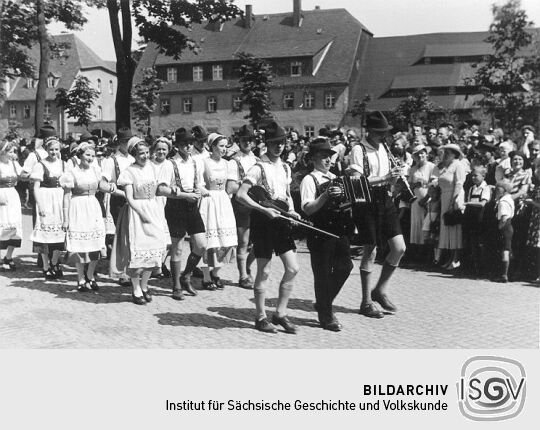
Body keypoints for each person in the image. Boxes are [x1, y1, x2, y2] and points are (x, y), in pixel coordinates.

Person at [237, 121, 301, 334]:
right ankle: (260, 316)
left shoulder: (285, 166)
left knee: (293, 268)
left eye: (281, 143)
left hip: (281, 220)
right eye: (274, 143)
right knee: (264, 271)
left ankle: (280, 313)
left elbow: (287, 193)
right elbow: (241, 194)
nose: (279, 147)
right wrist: (264, 210)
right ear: (266, 144)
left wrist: (291, 210)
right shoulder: (258, 167)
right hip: (263, 222)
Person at [347, 111, 406, 319]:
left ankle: (379, 290)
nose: (384, 136)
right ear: (370, 131)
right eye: (381, 132)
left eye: (385, 132)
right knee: (370, 251)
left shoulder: (384, 148)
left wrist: (395, 178)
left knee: (399, 248)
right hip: (366, 201)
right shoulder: (358, 149)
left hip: (385, 199)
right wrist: (384, 177)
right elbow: (355, 180)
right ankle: (365, 302)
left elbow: (388, 181)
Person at [300, 138, 354, 331]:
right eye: (323, 157)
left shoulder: (335, 177)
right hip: (319, 231)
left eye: (330, 156)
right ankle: (326, 316)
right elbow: (307, 209)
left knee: (345, 267)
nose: (328, 160)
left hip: (339, 229)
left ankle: (323, 302)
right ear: (313, 159)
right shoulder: (309, 179)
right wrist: (325, 195)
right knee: (322, 274)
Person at [110, 137, 168, 305]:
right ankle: (135, 288)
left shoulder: (152, 168)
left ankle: (144, 285)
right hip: (137, 212)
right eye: (140, 153)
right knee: (138, 252)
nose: (144, 156)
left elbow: (158, 189)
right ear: (134, 154)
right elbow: (129, 197)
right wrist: (142, 213)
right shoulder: (129, 172)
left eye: (146, 152)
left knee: (156, 248)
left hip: (154, 208)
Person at [157, 128, 208, 300]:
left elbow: (199, 184)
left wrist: (203, 191)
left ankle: (186, 275)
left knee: (201, 244)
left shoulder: (195, 162)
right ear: (177, 145)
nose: (188, 146)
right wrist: (185, 195)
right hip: (176, 206)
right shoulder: (169, 164)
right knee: (177, 247)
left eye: (190, 143)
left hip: (192, 206)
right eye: (184, 143)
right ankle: (176, 285)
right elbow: (161, 189)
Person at [60, 141, 112, 291]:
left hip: (93, 207)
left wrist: (112, 187)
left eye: (93, 156)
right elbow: (66, 197)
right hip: (78, 208)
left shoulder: (96, 170)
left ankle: (90, 275)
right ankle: (81, 278)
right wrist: (66, 219)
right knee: (80, 245)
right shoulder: (72, 173)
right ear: (80, 155)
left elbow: (102, 186)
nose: (90, 158)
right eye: (87, 155)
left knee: (96, 242)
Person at [198, 133, 238, 289]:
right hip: (209, 201)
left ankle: (216, 273)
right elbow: (198, 183)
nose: (223, 149)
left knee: (225, 239)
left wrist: (228, 195)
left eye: (225, 146)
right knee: (210, 240)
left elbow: (231, 184)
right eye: (220, 146)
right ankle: (206, 276)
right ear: (212, 146)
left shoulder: (227, 164)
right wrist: (204, 191)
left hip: (223, 201)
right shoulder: (204, 163)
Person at [29, 136, 66, 279]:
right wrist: (40, 205)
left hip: (60, 201)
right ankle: (45, 266)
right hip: (46, 200)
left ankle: (54, 262)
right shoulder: (40, 165)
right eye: (51, 149)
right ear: (46, 150)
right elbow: (36, 188)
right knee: (44, 235)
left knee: (60, 233)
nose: (54, 152)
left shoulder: (63, 164)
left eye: (56, 149)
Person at [101, 128, 135, 285]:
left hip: (136, 200)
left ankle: (133, 268)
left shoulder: (135, 158)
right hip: (120, 201)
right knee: (123, 236)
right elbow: (103, 183)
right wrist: (114, 188)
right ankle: (122, 272)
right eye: (126, 141)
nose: (129, 144)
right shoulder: (111, 160)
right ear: (120, 143)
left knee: (134, 235)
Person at [226, 125, 258, 288]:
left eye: (250, 140)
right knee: (243, 242)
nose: (247, 142)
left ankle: (247, 265)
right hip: (241, 206)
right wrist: (246, 187)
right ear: (239, 141)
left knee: (259, 241)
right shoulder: (234, 161)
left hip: (257, 205)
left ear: (254, 142)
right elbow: (230, 187)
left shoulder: (258, 160)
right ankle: (243, 276)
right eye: (244, 139)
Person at [432, 143, 466, 270]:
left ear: (455, 154)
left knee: (454, 227)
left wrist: (453, 202)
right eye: (445, 152)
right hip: (445, 197)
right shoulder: (446, 167)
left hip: (455, 197)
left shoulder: (458, 165)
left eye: (449, 152)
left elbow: (459, 183)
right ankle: (450, 258)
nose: (446, 154)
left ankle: (456, 259)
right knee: (447, 227)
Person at [463, 166, 492, 277]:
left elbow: (482, 203)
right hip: (472, 218)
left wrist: (467, 203)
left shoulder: (485, 188)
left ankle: (483, 270)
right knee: (473, 243)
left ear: (483, 176)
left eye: (476, 175)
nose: (473, 177)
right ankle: (475, 268)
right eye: (472, 175)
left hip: (481, 218)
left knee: (480, 244)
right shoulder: (472, 188)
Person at [408, 144, 435, 257]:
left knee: (427, 226)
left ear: (426, 153)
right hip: (416, 201)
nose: (420, 155)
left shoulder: (432, 167)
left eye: (421, 153)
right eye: (417, 154)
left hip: (427, 200)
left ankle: (428, 255)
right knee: (417, 226)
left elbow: (434, 184)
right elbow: (409, 185)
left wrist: (426, 198)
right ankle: (418, 254)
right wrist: (415, 184)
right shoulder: (412, 169)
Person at [151, 136, 173, 278]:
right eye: (158, 149)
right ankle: (155, 267)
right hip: (154, 202)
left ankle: (162, 263)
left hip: (169, 201)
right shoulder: (149, 164)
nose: (161, 152)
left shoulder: (171, 165)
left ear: (168, 151)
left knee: (169, 241)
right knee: (155, 236)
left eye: (164, 149)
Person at [0, 140, 23, 271]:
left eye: (13, 151)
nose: (12, 154)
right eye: (10, 151)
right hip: (1, 195)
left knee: (14, 226)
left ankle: (8, 257)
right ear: (2, 152)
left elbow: (24, 175)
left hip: (13, 197)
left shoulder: (14, 164)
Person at [493, 180, 515, 282]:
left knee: (504, 250)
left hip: (504, 227)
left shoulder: (503, 202)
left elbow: (504, 217)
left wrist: (499, 227)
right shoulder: (510, 199)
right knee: (506, 249)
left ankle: (504, 274)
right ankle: (504, 273)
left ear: (505, 190)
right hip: (509, 227)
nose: (497, 190)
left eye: (499, 188)